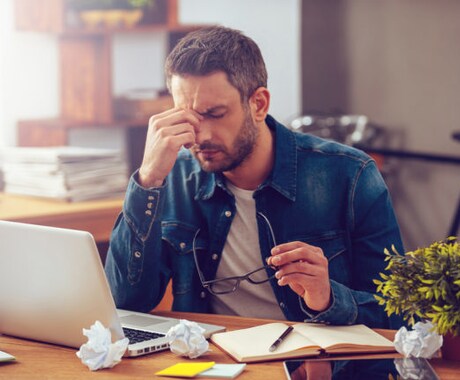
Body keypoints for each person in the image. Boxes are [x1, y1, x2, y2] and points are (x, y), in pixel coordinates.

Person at [105, 26, 404, 328]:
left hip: (315, 367)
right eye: (189, 116)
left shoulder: (350, 175)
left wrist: (328, 298)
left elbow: (398, 315)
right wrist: (148, 180)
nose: (201, 135)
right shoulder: (174, 175)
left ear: (259, 104)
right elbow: (126, 303)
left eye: (215, 114)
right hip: (212, 363)